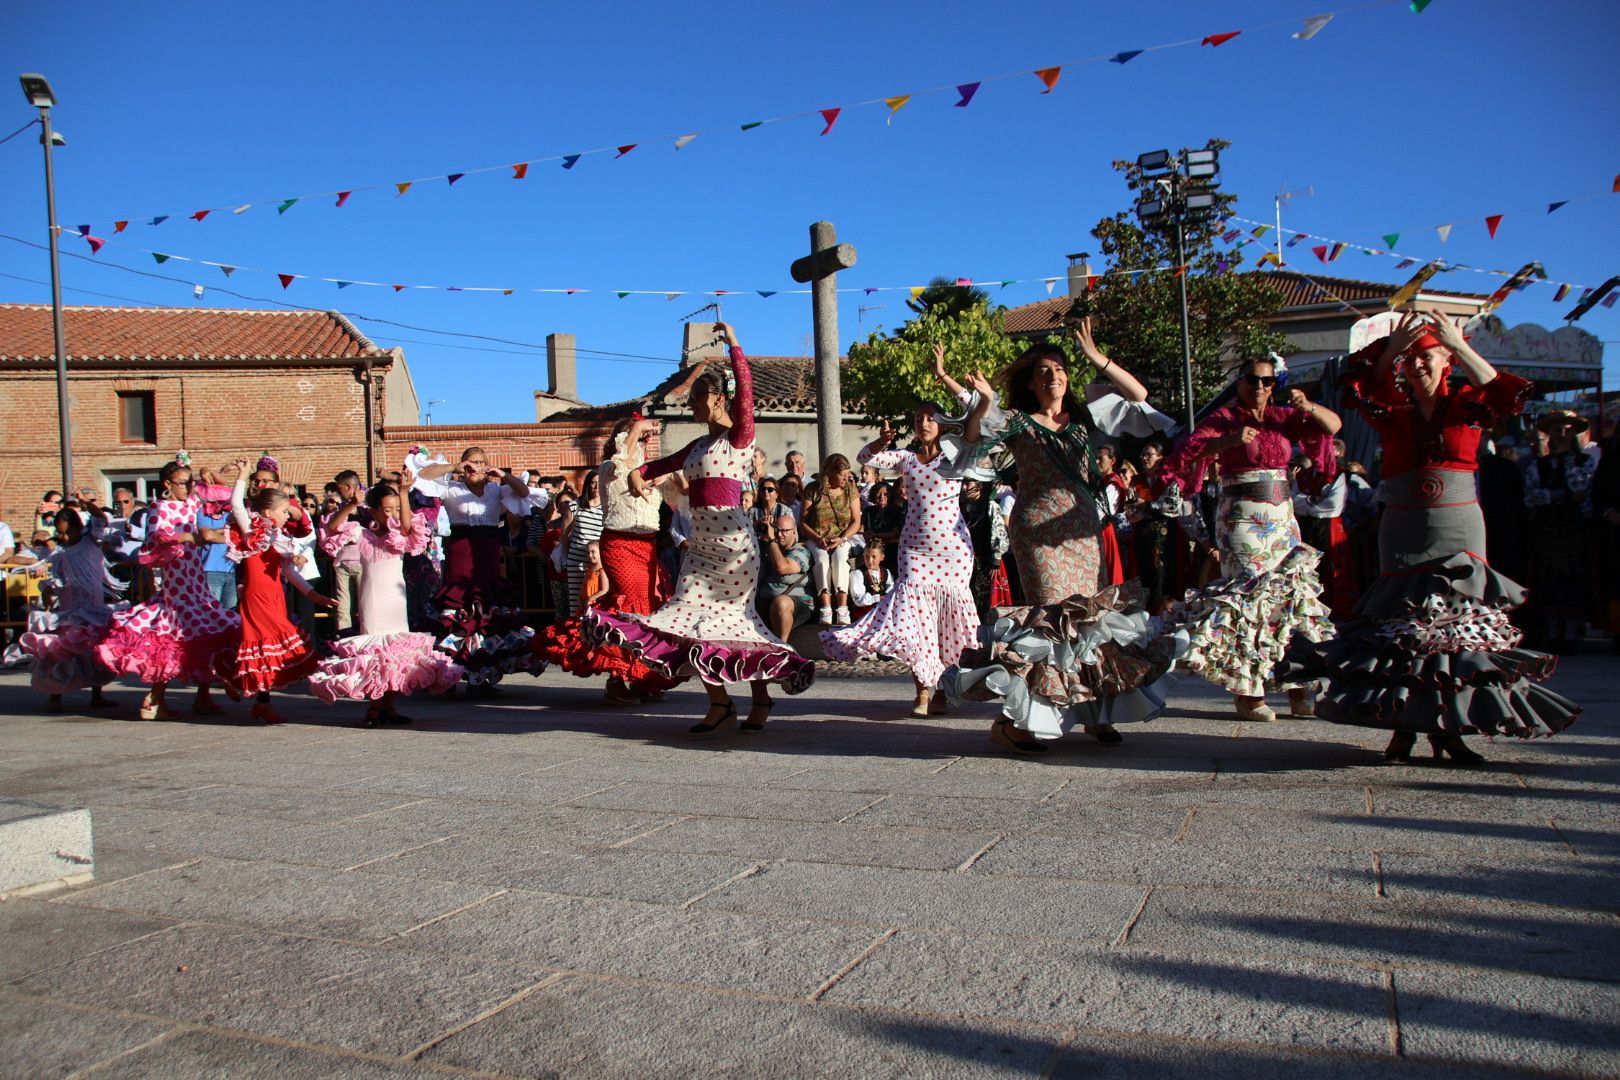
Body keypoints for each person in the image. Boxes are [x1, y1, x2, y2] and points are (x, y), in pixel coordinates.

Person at [1283, 313, 1580, 762]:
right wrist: (1391, 348)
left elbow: (1503, 390)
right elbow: (1358, 380)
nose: (1417, 366)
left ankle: (1447, 730)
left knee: (1451, 635)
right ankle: (1401, 726)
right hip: (1403, 526)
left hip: (1457, 527)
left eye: (1427, 358)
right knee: (1400, 631)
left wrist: (1455, 344)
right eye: (1410, 361)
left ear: (1446, 361)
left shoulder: (1467, 403)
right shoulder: (1393, 409)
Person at [946, 320, 1182, 752]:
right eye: (1043, 372)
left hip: (1081, 531)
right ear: (1032, 384)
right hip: (1036, 532)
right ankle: (1012, 722)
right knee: (1052, 623)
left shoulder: (1084, 418)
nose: (1053, 375)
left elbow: (1139, 397)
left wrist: (1097, 359)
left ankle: (1098, 711)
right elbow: (973, 442)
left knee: (1091, 621)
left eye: (1059, 369)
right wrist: (986, 402)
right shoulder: (1018, 420)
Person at [584, 322, 815, 732]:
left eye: (696, 396)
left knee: (738, 628)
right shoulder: (697, 447)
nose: (690, 403)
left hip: (734, 550)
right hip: (699, 550)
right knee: (690, 622)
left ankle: (759, 699)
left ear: (717, 399)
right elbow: (660, 465)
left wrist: (736, 347)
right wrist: (639, 474)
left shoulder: (739, 437)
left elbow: (747, 392)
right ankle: (720, 703)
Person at [1161, 355, 1340, 722]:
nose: (1259, 387)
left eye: (1267, 381)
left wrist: (1309, 405)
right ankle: (1248, 691)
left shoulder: (1282, 418)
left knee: (1286, 600)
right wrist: (1227, 441)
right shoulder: (1224, 419)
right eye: (1251, 380)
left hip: (1282, 520)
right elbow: (1186, 453)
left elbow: (1331, 427)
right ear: (1239, 383)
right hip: (1242, 519)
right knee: (1249, 601)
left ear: (1275, 385)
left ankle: (1296, 685)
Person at [822, 378, 980, 716]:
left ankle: (943, 690)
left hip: (952, 551)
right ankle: (922, 691)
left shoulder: (956, 454)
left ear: (942, 423)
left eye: (930, 418)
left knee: (945, 624)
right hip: (915, 551)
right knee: (914, 621)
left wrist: (946, 377)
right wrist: (881, 440)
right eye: (918, 418)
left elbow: (974, 411)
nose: (923, 423)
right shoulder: (906, 459)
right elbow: (864, 457)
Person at [95, 454, 241, 719]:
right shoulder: (160, 508)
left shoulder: (192, 502)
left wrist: (210, 471)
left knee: (207, 633)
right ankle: (155, 698)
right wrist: (189, 536)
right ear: (167, 484)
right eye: (182, 482)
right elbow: (155, 540)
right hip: (177, 581)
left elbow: (227, 495)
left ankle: (203, 696)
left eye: (189, 482)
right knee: (172, 638)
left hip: (196, 575)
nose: (187, 487)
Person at [309, 479, 465, 724]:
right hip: (373, 599)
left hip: (395, 599)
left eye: (396, 509)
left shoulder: (398, 536)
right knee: (376, 653)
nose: (392, 514)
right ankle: (374, 707)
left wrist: (403, 492)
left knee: (395, 653)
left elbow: (406, 525)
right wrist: (351, 504)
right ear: (373, 511)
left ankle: (388, 707)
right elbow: (332, 528)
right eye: (386, 510)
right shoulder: (361, 534)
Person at [218, 459, 336, 722]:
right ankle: (255, 695)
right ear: (269, 513)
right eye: (284, 511)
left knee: (267, 649)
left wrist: (311, 594)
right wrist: (243, 474)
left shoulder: (279, 537)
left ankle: (257, 697)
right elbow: (236, 504)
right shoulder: (253, 530)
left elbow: (289, 572)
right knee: (270, 645)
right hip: (256, 597)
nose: (287, 516)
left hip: (274, 597)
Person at [415, 447, 541, 687]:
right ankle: (448, 671)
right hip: (461, 552)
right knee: (458, 609)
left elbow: (524, 492)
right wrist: (454, 467)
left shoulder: (496, 490)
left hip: (487, 553)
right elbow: (423, 476)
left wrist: (502, 474)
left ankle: (485, 672)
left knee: (488, 609)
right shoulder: (452, 488)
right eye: (471, 462)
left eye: (481, 462)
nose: (476, 466)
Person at [2, 508, 124, 712]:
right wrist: (49, 589)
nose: (64, 537)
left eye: (68, 532)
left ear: (78, 528)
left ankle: (97, 694)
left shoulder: (90, 542)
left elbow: (102, 520)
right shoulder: (61, 553)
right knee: (63, 650)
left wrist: (86, 503)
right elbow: (57, 579)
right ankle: (55, 695)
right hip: (71, 608)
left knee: (93, 650)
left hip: (92, 606)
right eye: (60, 533)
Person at [1522, 409, 1598, 652]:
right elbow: (1531, 496)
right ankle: (1553, 632)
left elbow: (1581, 492)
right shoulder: (1539, 464)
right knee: (1548, 579)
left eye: (1567, 430)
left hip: (1574, 528)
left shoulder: (1584, 461)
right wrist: (1558, 495)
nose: (1563, 434)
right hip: (1548, 528)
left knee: (1574, 579)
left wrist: (1568, 468)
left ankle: (1571, 632)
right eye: (1557, 430)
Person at [801, 453, 862, 626]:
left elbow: (856, 521)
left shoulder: (851, 490)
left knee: (840, 558)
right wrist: (818, 538)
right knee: (821, 559)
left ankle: (842, 607)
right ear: (831, 473)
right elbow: (803, 522)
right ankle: (825, 607)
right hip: (817, 536)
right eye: (842, 475)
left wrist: (842, 538)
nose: (846, 478)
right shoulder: (813, 489)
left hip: (841, 537)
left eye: (847, 474)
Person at [757, 515, 816, 641]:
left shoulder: (801, 552)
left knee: (781, 603)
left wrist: (772, 541)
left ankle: (781, 648)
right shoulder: (769, 548)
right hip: (765, 603)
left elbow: (782, 567)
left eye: (784, 531)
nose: (779, 534)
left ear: (794, 532)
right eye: (776, 530)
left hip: (797, 605)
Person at [847, 539, 893, 619]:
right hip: (863, 614)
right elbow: (858, 600)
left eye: (874, 557)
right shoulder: (858, 574)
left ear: (882, 557)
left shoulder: (886, 572)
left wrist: (887, 597)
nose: (869, 561)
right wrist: (878, 598)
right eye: (866, 557)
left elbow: (891, 590)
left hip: (883, 611)